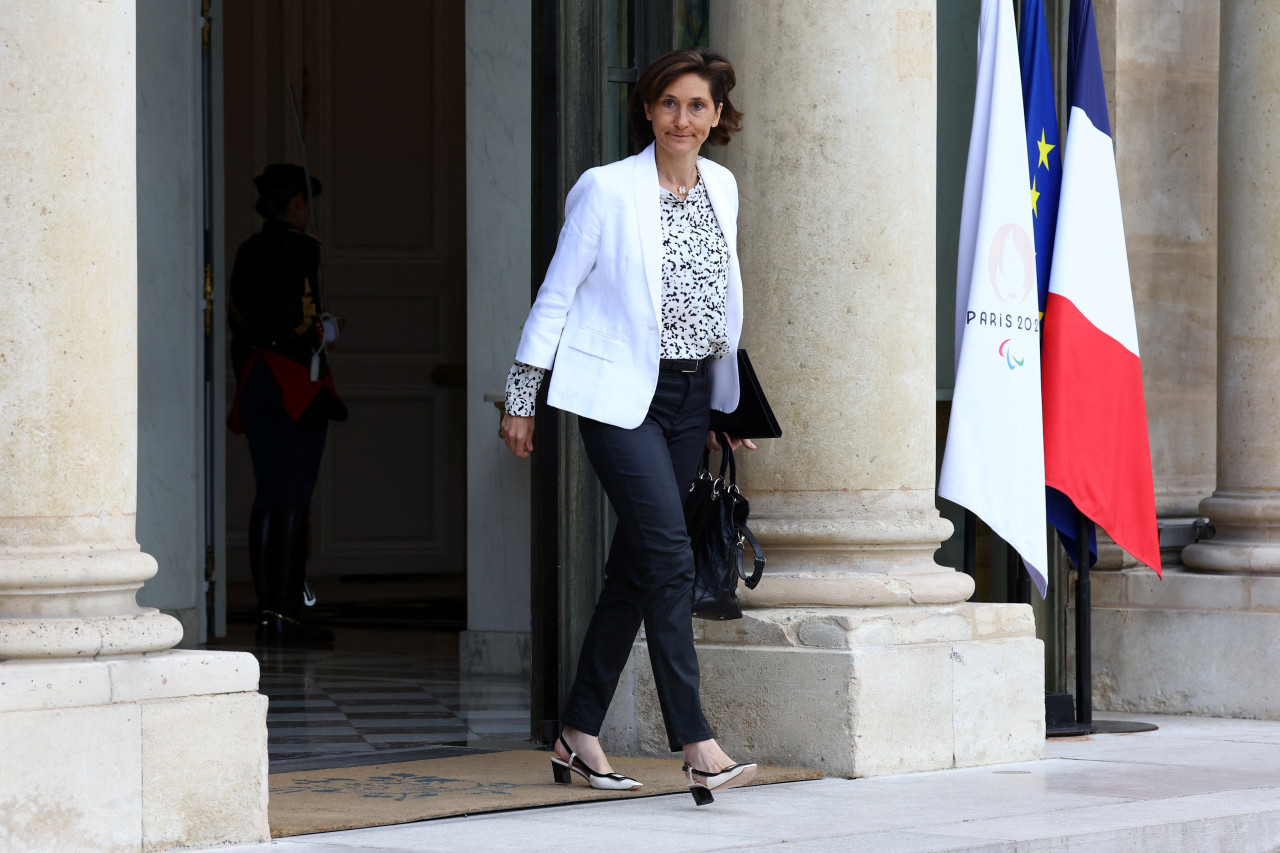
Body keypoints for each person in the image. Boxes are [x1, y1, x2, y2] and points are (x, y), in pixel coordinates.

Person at [500, 47, 758, 805]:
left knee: (637, 569)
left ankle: (578, 730)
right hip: (618, 401)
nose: (684, 118)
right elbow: (556, 295)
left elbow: (718, 306)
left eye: (698, 106)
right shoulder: (606, 189)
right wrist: (523, 396)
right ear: (648, 109)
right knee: (671, 557)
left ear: (718, 117)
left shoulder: (724, 186)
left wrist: (726, 404)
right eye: (670, 103)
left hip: (687, 402)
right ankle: (697, 743)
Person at [228, 163, 347, 647]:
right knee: (294, 497)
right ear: (295, 202)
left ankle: (267, 614)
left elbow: (240, 317)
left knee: (268, 495)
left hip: (256, 381)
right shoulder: (302, 249)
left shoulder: (247, 250)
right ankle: (286, 617)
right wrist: (326, 329)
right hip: (294, 381)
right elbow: (303, 322)